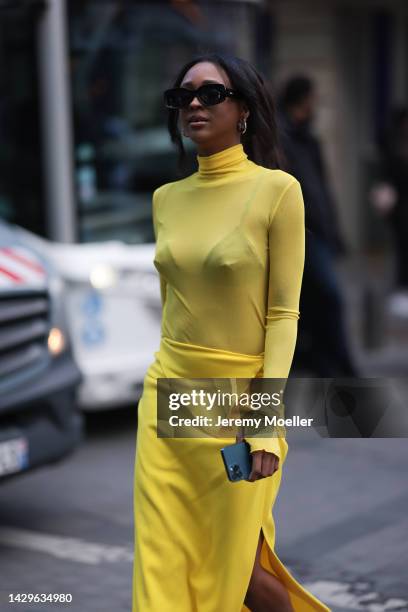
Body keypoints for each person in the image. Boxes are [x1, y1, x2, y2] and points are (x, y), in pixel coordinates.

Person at [132, 53, 331, 612]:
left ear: (242, 108)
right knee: (163, 560)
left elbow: (284, 315)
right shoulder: (165, 201)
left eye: (210, 93)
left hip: (237, 405)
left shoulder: (277, 191)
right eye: (182, 96)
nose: (193, 103)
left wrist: (265, 424)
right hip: (167, 403)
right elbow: (174, 302)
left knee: (236, 568)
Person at [278, 75, 359, 376]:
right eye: (314, 98)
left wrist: (335, 232)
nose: (316, 105)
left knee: (317, 300)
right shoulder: (281, 137)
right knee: (329, 296)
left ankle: (324, 361)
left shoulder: (308, 138)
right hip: (302, 233)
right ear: (301, 100)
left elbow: (322, 189)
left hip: (319, 232)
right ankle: (340, 366)